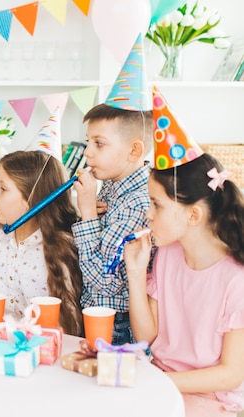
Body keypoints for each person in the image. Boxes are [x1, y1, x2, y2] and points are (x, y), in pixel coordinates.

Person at [124, 87, 244, 417]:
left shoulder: (236, 280)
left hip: (211, 399)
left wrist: (161, 381)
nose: (147, 214)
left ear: (193, 215)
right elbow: (149, 336)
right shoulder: (169, 254)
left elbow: (231, 374)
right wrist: (136, 273)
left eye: (156, 205)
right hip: (162, 383)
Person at [72, 35, 153, 345]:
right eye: (89, 142)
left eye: (99, 144)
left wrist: (89, 211)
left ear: (134, 151)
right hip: (95, 312)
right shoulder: (112, 187)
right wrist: (90, 210)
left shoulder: (138, 202)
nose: (87, 153)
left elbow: (106, 281)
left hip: (117, 322)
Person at [0, 149, 83, 335]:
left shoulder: (62, 245)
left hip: (43, 350)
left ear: (31, 199)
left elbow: (71, 325)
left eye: (3, 189)